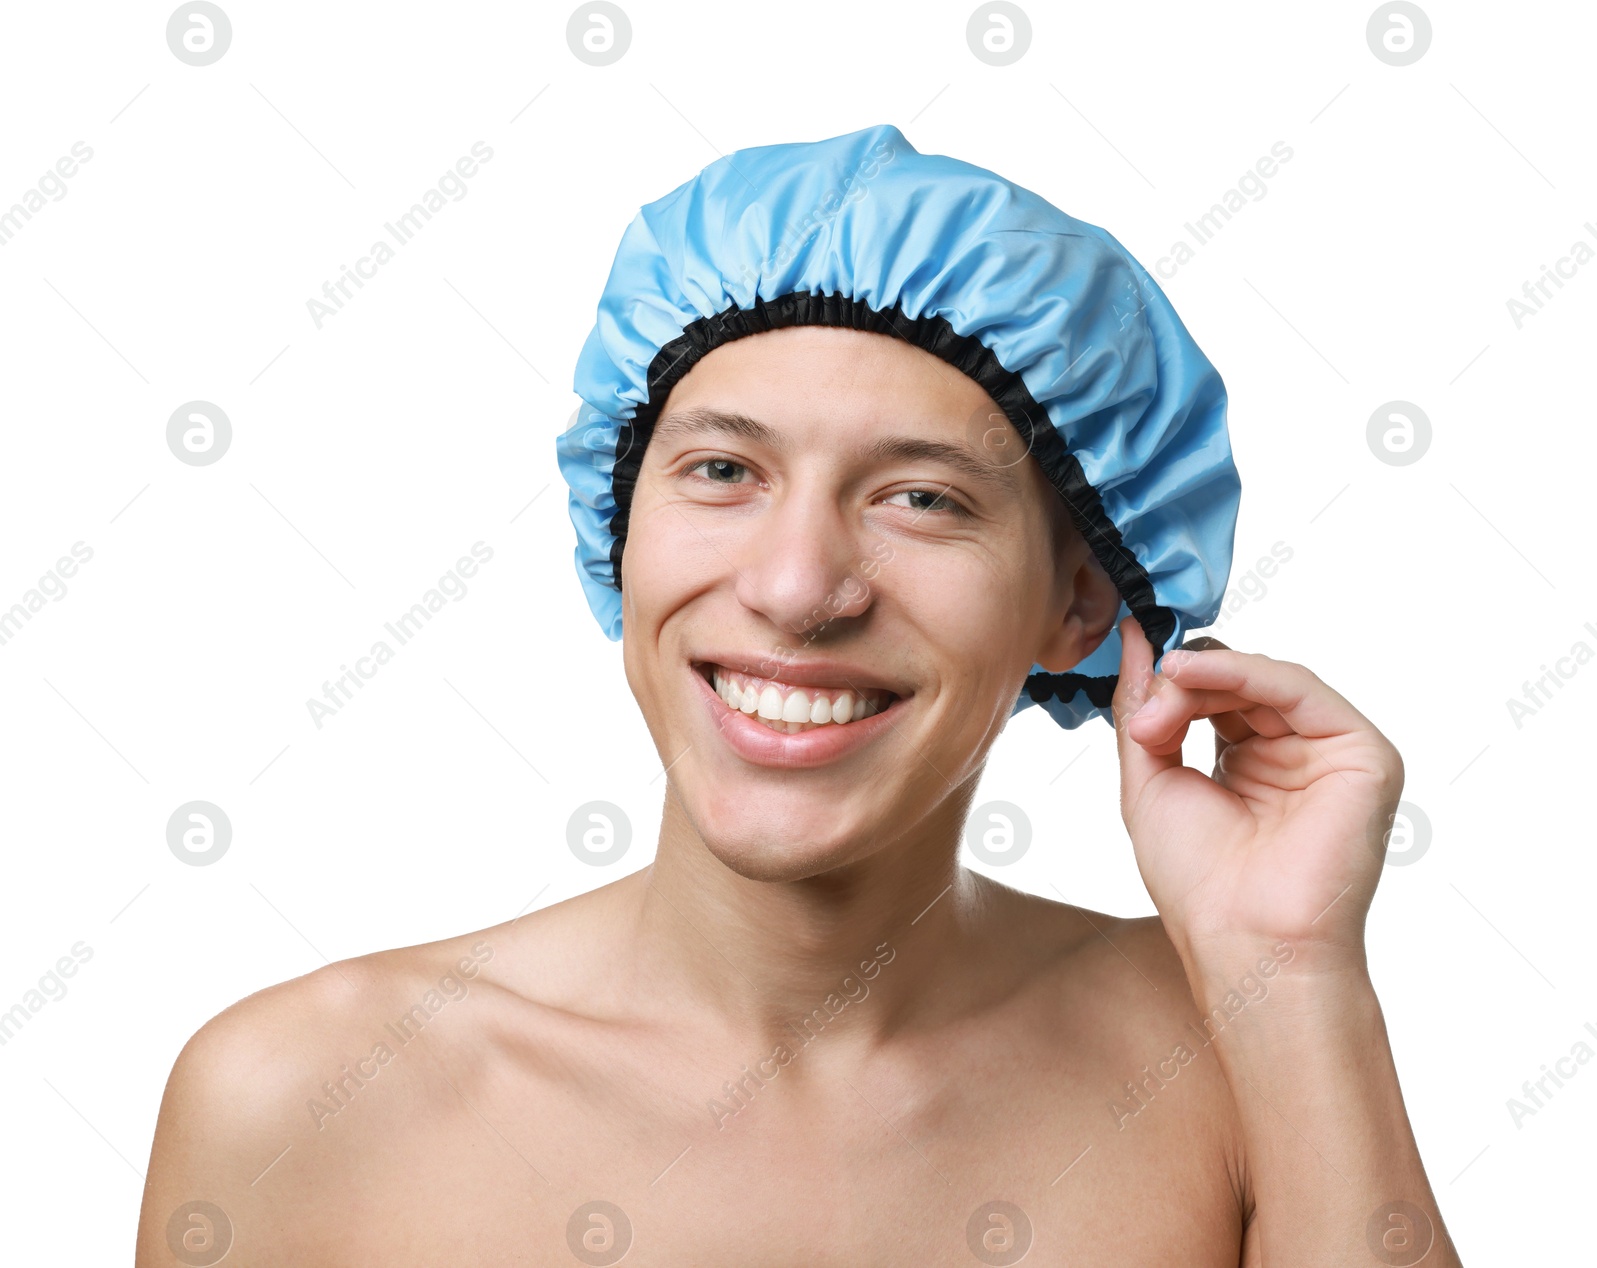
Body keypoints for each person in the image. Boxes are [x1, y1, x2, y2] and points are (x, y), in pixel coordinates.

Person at [137, 125, 1460, 1266]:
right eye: (722, 472)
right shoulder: (299, 1099)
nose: (796, 585)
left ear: (1084, 597)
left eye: (922, 498)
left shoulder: (1232, 1059)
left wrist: (1288, 971)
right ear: (622, 518)